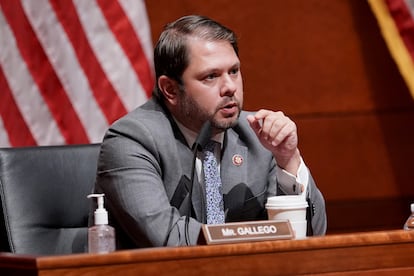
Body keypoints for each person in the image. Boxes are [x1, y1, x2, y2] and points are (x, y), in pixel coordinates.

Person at [93, 15, 327, 249]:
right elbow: (167, 239)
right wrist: (259, 234)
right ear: (170, 89)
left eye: (234, 71)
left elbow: (311, 235)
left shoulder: (258, 135)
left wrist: (289, 160)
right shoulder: (131, 140)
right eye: (211, 76)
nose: (230, 87)